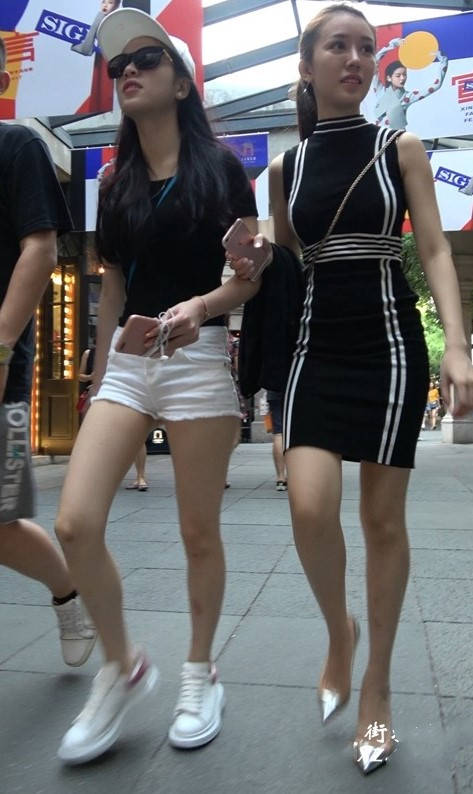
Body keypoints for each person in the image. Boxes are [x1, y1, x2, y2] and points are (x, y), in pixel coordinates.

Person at [230, 3, 473, 775]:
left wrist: (455, 345)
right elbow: (282, 260)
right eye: (337, 46)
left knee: (380, 521)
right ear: (306, 67)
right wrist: (245, 262)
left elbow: (433, 247)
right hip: (314, 345)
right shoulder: (285, 169)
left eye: (366, 48)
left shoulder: (398, 147)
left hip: (389, 344)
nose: (356, 59)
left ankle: (376, 687)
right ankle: (340, 629)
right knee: (307, 506)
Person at [54, 7, 260, 764]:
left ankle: (200, 673)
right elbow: (111, 288)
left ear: (181, 83)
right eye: (118, 66)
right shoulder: (115, 184)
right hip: (130, 363)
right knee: (74, 523)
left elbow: (247, 278)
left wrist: (201, 306)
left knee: (198, 532)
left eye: (146, 59)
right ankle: (122, 664)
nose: (128, 72)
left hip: (198, 359)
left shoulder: (222, 171)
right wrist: (100, 376)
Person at [0, 37, 97, 667]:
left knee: (1, 522)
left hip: (2, 366)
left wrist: (1, 347)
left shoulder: (18, 145)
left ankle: (69, 595)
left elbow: (39, 250)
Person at [373, 40, 448, 130]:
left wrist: (443, 61)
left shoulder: (408, 97)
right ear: (389, 78)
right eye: (398, 75)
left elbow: (437, 85)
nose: (402, 78)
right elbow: (374, 63)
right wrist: (392, 45)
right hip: (378, 135)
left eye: (404, 75)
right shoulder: (380, 91)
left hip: (398, 135)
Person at [266, 390, 287, 491]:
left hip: (274, 391)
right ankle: (296, 476)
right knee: (296, 435)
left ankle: (281, 478)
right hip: (296, 393)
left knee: (279, 433)